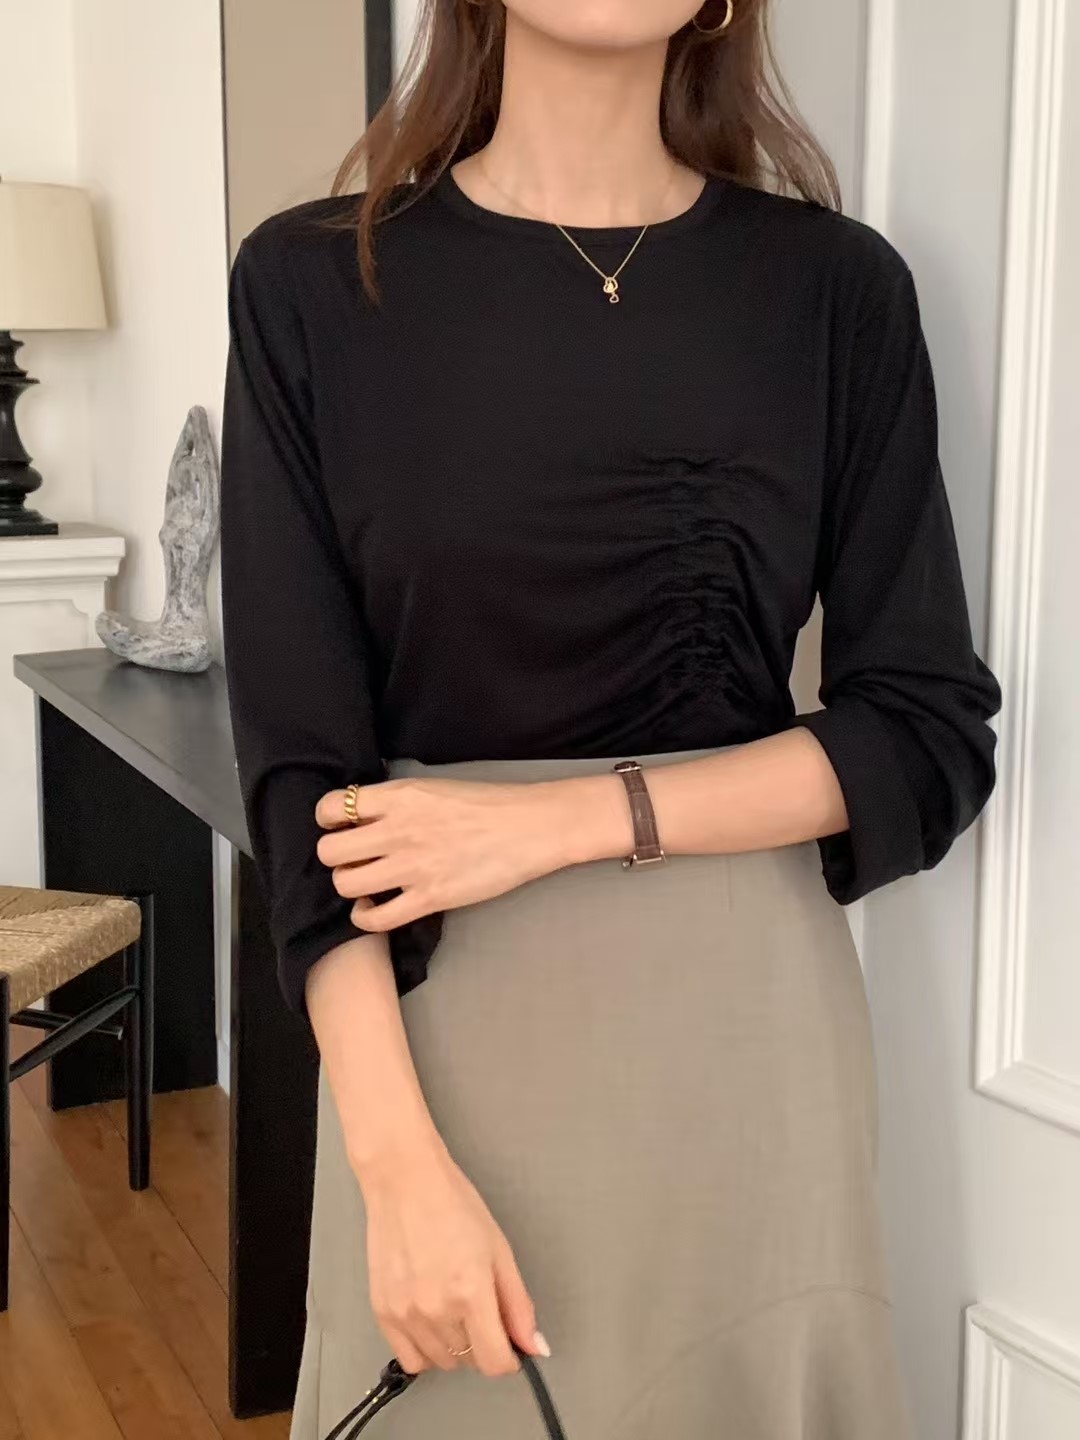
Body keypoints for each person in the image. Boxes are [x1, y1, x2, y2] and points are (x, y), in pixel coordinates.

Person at [219, 1, 1002, 1435]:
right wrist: (395, 1168)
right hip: (443, 1026)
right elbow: (301, 769)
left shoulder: (836, 290)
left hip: (748, 1027)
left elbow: (925, 729)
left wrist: (560, 821)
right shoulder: (312, 282)